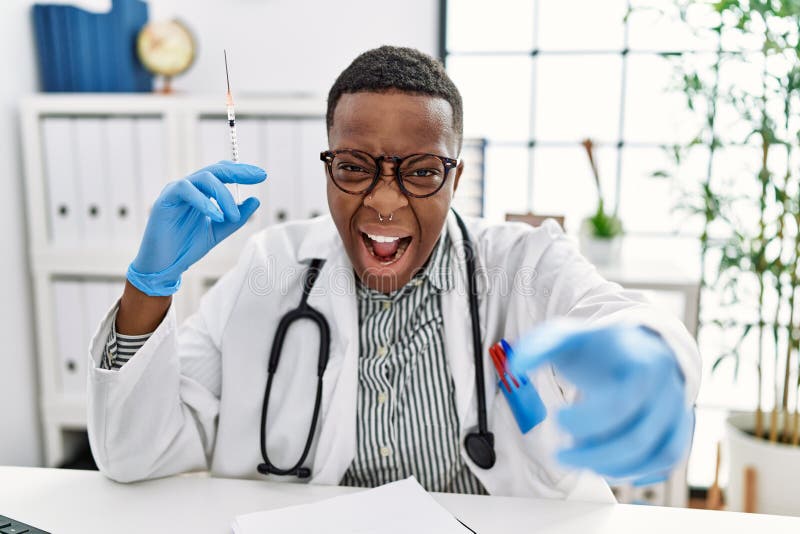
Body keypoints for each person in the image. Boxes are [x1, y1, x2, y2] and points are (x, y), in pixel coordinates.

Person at [87, 46, 699, 501]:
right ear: (328, 168)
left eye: (422, 171)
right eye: (354, 166)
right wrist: (148, 285)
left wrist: (648, 360)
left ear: (456, 179)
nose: (384, 201)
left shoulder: (525, 263)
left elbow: (619, 319)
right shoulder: (271, 267)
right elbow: (133, 454)